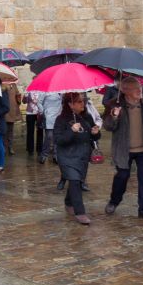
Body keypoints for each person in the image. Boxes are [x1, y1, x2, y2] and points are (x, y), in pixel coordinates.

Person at [103, 77, 143, 220]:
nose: (140, 90)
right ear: (125, 91)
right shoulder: (114, 104)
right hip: (124, 149)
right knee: (122, 176)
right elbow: (108, 127)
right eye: (135, 88)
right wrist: (113, 116)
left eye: (140, 87)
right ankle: (114, 201)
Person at [54, 92, 101, 225]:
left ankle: (69, 201)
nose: (83, 104)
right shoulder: (61, 120)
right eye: (79, 102)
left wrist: (95, 133)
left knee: (78, 181)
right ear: (70, 104)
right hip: (67, 157)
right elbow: (59, 140)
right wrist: (71, 131)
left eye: (83, 101)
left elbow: (95, 137)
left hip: (83, 156)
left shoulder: (86, 116)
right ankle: (80, 213)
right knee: (74, 180)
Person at [39, 92, 62, 164]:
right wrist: (43, 111)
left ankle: (56, 156)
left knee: (57, 137)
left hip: (59, 116)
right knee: (49, 136)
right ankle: (44, 155)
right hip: (49, 116)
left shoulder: (62, 91)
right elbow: (39, 102)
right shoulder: (46, 91)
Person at [22, 90, 43, 155]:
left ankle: (39, 149)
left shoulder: (42, 91)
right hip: (30, 113)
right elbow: (24, 102)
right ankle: (30, 149)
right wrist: (25, 96)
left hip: (39, 113)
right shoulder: (29, 91)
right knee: (30, 131)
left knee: (40, 131)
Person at [4, 82, 22, 155]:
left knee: (10, 130)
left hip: (12, 111)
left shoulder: (13, 85)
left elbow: (18, 97)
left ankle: (10, 147)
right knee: (4, 131)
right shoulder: (1, 85)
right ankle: (4, 147)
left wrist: (18, 97)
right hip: (4, 111)